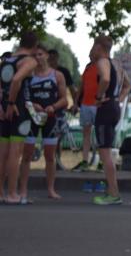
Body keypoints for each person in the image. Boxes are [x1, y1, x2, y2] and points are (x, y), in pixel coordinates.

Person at [19, 44, 68, 202]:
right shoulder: (28, 75)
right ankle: (23, 190)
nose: (37, 58)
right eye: (34, 55)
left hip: (50, 118)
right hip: (31, 118)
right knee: (27, 156)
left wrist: (53, 106)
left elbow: (64, 100)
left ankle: (51, 189)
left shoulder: (57, 75)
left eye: (40, 54)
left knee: (50, 156)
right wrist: (33, 105)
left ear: (47, 55)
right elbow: (22, 98)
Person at [90, 35, 131, 205]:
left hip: (106, 108)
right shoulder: (117, 64)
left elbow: (106, 79)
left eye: (93, 46)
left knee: (105, 152)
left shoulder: (103, 61)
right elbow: (127, 85)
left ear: (98, 47)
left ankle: (113, 193)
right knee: (106, 150)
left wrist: (98, 97)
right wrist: (118, 99)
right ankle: (112, 191)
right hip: (114, 107)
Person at [0, 31, 39, 204]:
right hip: (18, 108)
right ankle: (12, 194)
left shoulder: (6, 60)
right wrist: (11, 103)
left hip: (3, 108)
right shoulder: (30, 61)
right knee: (15, 153)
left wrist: (2, 104)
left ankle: (1, 193)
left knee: (3, 153)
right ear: (35, 46)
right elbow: (16, 80)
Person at [73, 59, 98, 171]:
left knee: (99, 134)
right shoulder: (87, 68)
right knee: (86, 134)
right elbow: (81, 86)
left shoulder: (104, 67)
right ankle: (85, 161)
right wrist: (76, 102)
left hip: (98, 104)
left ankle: (101, 162)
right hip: (85, 104)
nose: (90, 56)